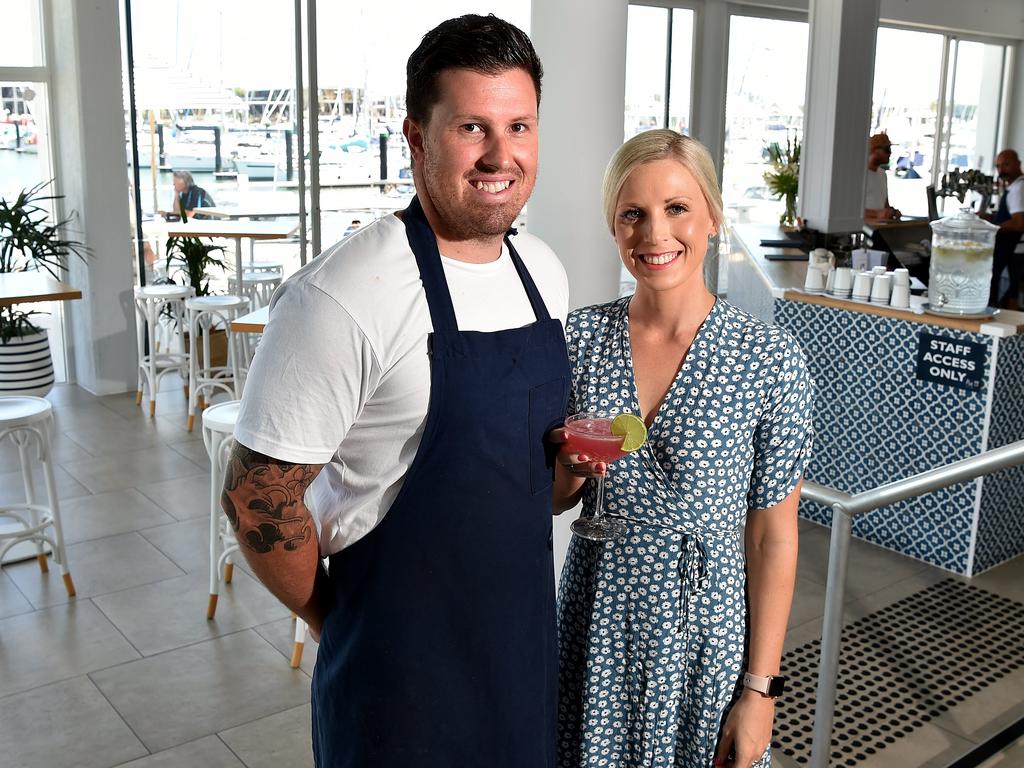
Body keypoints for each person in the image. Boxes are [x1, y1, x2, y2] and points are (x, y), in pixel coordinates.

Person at [223, 14, 569, 768]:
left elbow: (509, 475)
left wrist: (567, 471)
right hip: (400, 679)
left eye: (520, 126)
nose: (500, 155)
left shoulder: (542, 273)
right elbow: (258, 496)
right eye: (472, 127)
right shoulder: (345, 293)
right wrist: (336, 616)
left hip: (520, 653)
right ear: (416, 136)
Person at [553, 129, 813, 768]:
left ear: (714, 218)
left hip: (705, 632)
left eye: (677, 209)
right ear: (614, 226)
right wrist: (568, 467)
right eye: (633, 214)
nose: (654, 235)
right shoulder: (580, 339)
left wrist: (761, 691)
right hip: (598, 616)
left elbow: (772, 538)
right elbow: (556, 500)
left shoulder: (767, 361)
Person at [986, 149, 1024, 309]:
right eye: (998, 166)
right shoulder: (1014, 188)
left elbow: (1018, 223)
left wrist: (991, 226)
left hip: (1014, 252)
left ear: (1018, 164)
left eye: (1006, 165)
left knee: (1012, 294)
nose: (1001, 170)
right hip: (1010, 251)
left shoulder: (1017, 189)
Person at [864, 132, 901, 220]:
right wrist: (876, 214)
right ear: (874, 150)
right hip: (865, 230)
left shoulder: (882, 174)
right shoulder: (860, 175)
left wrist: (892, 212)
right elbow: (852, 209)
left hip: (880, 228)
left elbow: (885, 205)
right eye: (887, 149)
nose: (890, 153)